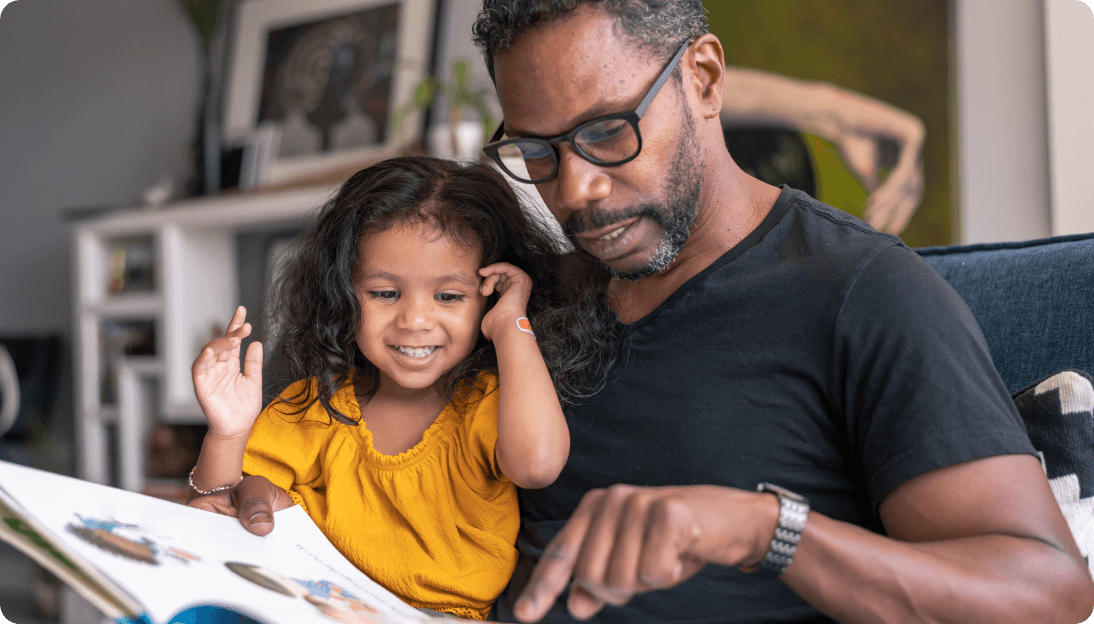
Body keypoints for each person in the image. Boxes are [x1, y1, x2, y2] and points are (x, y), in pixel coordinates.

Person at [193, 2, 1094, 623]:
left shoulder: (861, 295)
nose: (577, 191)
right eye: (537, 151)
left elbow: (1048, 594)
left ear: (703, 77)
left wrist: (763, 529)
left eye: (608, 132)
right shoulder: (526, 290)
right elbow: (377, 454)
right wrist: (267, 500)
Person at [187, 156, 617, 620]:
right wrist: (228, 432)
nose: (414, 320)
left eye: (449, 297)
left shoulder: (488, 402)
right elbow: (212, 517)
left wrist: (512, 324)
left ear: (488, 297)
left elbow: (537, 466)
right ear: (343, 294)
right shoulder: (315, 404)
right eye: (385, 293)